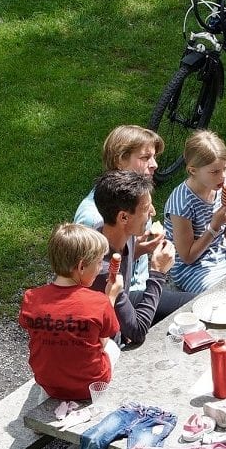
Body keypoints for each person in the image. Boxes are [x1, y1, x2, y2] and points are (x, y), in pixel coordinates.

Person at [19, 223, 122, 401]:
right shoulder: (98, 302)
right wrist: (110, 297)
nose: (100, 268)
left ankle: (47, 396)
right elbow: (103, 342)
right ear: (81, 266)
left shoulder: (31, 298)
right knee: (113, 347)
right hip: (90, 387)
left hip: (48, 383)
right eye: (98, 262)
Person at [92, 169, 194, 346]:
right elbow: (137, 332)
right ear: (123, 217)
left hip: (123, 298)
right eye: (146, 208)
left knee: (197, 303)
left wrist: (141, 249)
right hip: (106, 339)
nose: (153, 212)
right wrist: (158, 273)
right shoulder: (102, 271)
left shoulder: (113, 230)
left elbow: (123, 258)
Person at [74, 125, 167, 293]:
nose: (154, 165)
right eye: (145, 157)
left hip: (139, 287)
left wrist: (140, 249)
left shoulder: (138, 197)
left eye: (154, 157)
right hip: (118, 299)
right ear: (120, 160)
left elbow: (118, 258)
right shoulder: (95, 218)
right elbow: (88, 281)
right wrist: (158, 272)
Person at [164, 131, 226, 293]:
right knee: (220, 297)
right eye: (214, 172)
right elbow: (187, 257)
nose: (223, 176)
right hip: (191, 269)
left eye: (225, 168)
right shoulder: (181, 204)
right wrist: (214, 226)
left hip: (222, 253)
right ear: (193, 170)